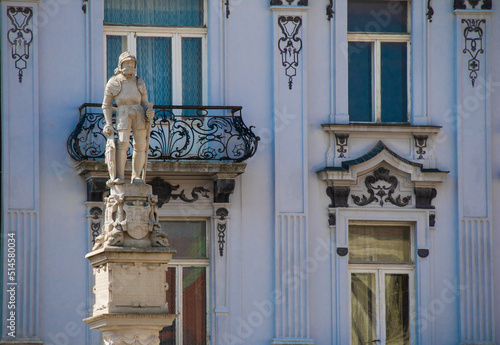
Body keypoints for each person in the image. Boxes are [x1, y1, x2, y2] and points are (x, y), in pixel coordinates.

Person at [102, 51, 154, 186]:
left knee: (140, 145)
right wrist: (108, 123)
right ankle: (119, 176)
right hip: (123, 112)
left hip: (139, 112)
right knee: (122, 143)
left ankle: (136, 176)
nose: (130, 65)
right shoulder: (114, 82)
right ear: (121, 64)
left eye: (132, 63)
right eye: (127, 62)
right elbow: (106, 105)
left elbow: (145, 102)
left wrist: (149, 112)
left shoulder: (139, 82)